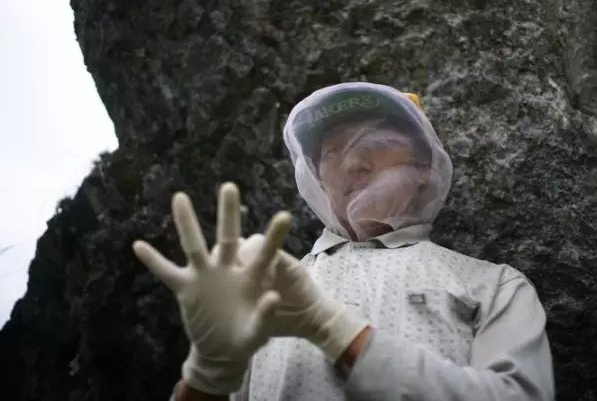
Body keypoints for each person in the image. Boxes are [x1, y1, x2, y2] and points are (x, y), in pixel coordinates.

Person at [133, 82, 555, 401]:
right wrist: (208, 370)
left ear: (424, 164)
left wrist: (333, 329)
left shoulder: (493, 285)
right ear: (317, 179)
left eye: (377, 142)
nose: (352, 162)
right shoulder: (263, 292)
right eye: (332, 151)